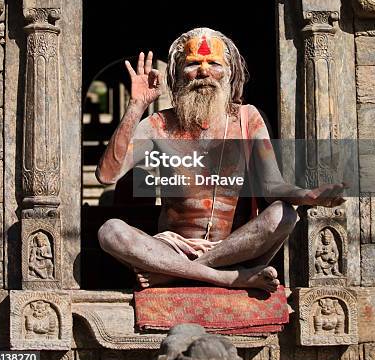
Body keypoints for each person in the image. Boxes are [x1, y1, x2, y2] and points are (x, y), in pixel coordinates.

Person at [96, 28, 345, 292]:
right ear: (178, 74)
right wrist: (136, 106)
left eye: (213, 63)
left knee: (284, 214)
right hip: (170, 249)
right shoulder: (158, 124)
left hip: (233, 249)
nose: (203, 72)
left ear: (229, 72)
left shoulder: (248, 118)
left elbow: (272, 187)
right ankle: (223, 278)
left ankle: (184, 274)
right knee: (111, 231)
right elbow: (106, 176)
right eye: (193, 64)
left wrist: (307, 195)